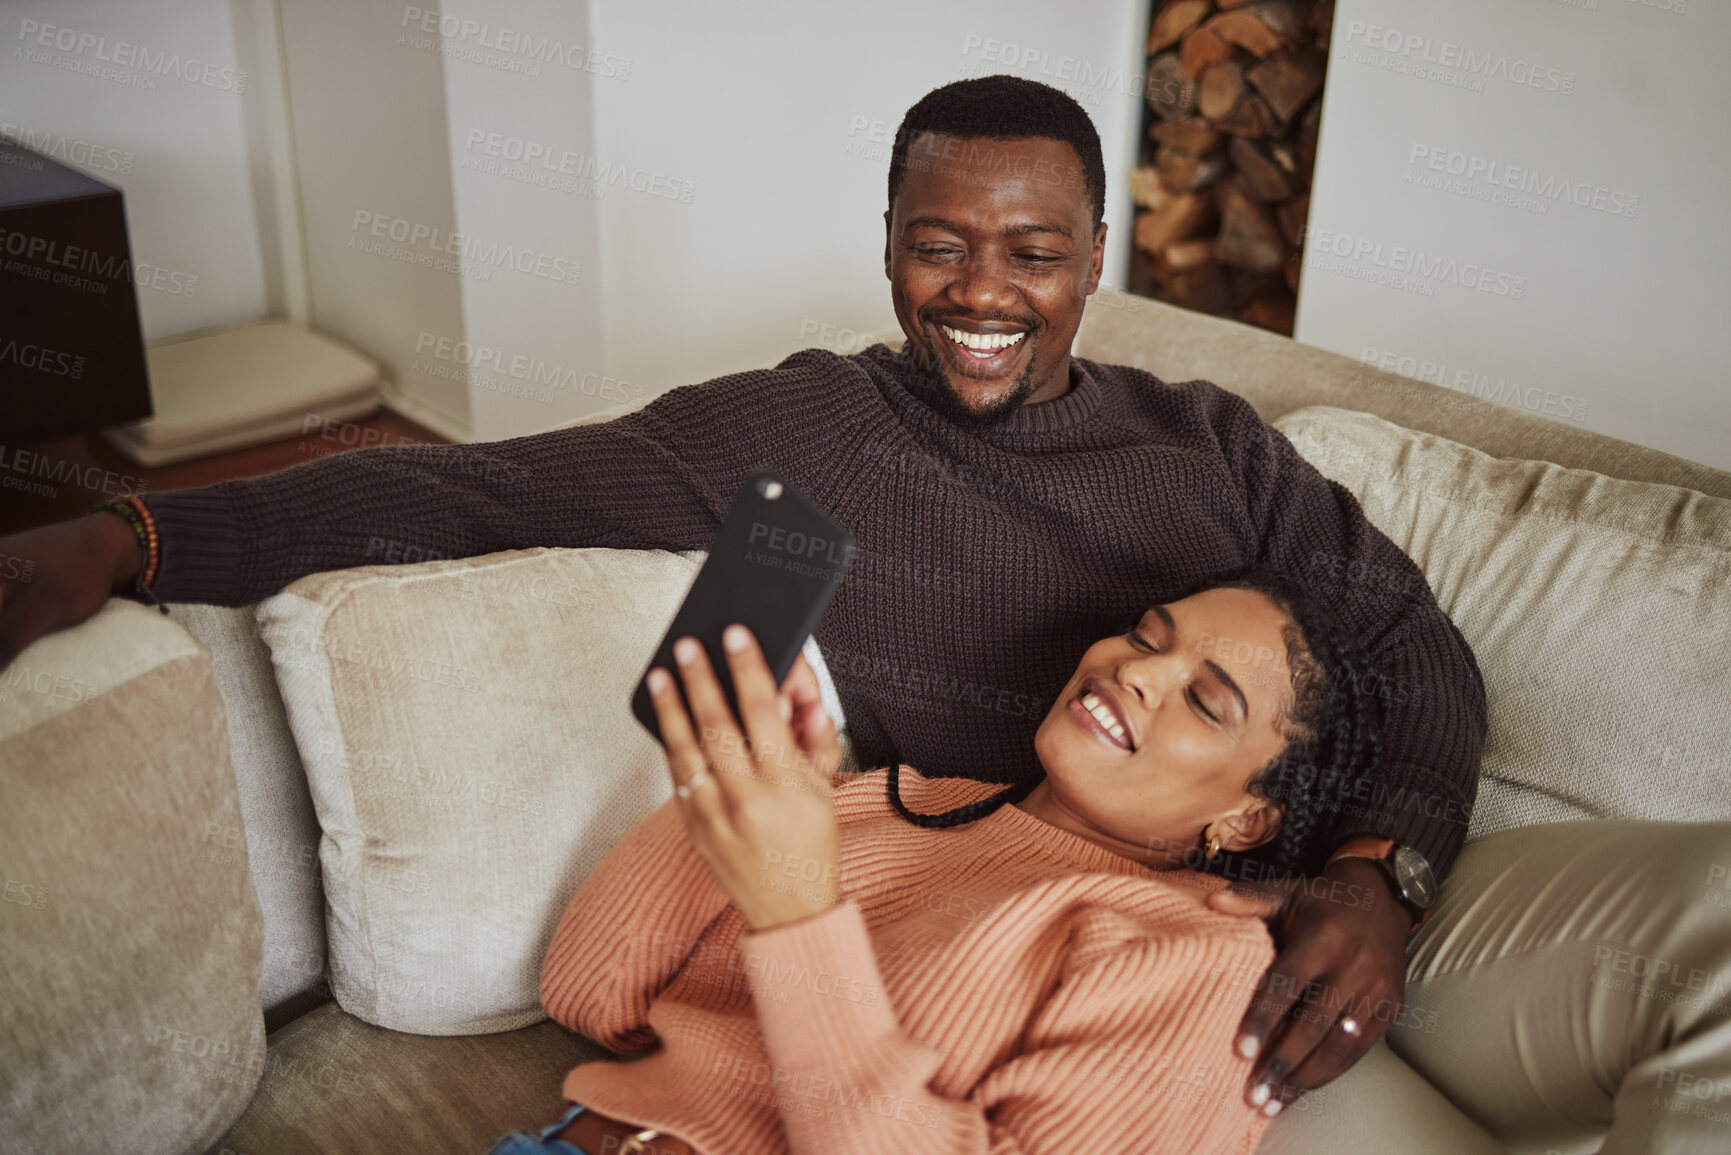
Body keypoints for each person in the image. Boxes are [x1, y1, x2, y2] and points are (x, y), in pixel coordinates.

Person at [0, 73, 1475, 1112]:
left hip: (1052, 979)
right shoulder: (789, 433)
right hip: (873, 913)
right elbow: (474, 488)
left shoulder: (1205, 448)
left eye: (1031, 253)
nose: (979, 293)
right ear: (888, 244)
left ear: (1095, 259)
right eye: (936, 244)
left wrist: (1377, 872)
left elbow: (1413, 649)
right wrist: (125, 533)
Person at [491, 565, 1387, 1155]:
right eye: (1147, 638)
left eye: (1203, 699)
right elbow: (589, 988)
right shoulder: (884, 798)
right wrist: (730, 779)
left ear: (1245, 817)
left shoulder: (1200, 957)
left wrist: (796, 917)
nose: (1136, 671)